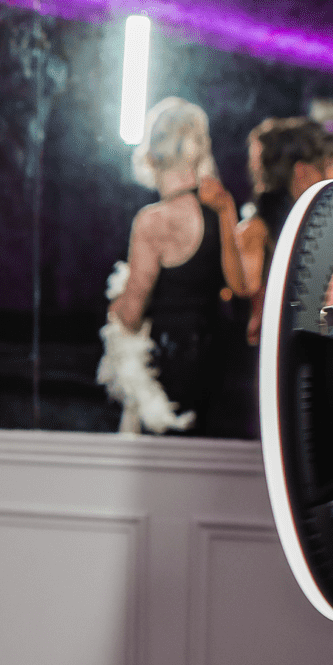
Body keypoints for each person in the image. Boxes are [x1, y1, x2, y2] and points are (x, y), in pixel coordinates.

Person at [108, 96, 247, 432]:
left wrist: (114, 307)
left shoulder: (153, 220)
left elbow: (131, 312)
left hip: (168, 367)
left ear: (152, 153)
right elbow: (239, 283)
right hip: (216, 362)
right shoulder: (217, 210)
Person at [234, 116, 331, 347]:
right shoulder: (256, 233)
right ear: (301, 172)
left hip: (283, 355)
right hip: (279, 357)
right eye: (323, 168)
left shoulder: (252, 232)